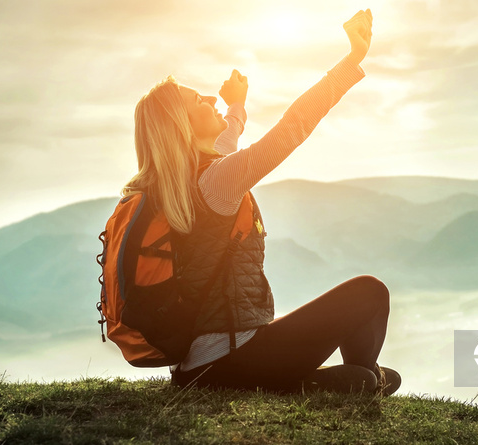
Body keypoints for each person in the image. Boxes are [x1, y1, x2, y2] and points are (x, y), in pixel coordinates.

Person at [123, 9, 400, 395]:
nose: (208, 97)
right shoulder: (216, 181)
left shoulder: (190, 179)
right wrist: (351, 60)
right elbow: (292, 128)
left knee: (372, 378)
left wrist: (235, 106)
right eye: (197, 100)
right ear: (183, 127)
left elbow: (226, 141)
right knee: (370, 292)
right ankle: (359, 381)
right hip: (232, 360)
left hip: (199, 368)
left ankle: (344, 382)